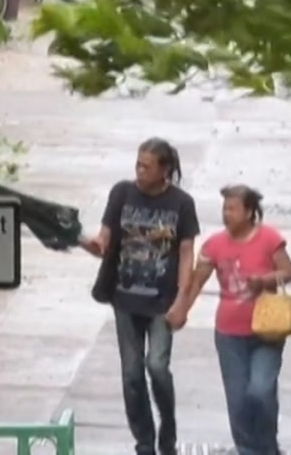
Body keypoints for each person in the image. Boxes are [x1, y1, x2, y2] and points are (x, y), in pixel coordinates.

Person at [80, 138, 200, 455]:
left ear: (165, 170)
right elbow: (104, 241)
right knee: (132, 374)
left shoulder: (181, 204)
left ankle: (168, 428)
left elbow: (187, 254)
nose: (139, 171)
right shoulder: (122, 193)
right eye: (137, 164)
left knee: (157, 366)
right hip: (125, 299)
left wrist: (183, 301)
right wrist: (83, 241)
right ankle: (144, 441)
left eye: (146, 166)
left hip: (163, 302)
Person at [178, 184, 291, 455]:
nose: (226, 214)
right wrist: (182, 309)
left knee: (261, 390)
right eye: (224, 208)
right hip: (229, 333)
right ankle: (247, 449)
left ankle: (267, 445)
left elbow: (288, 272)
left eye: (232, 208)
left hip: (268, 331)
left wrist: (264, 279)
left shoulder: (269, 239)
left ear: (250, 212)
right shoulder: (214, 244)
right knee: (238, 398)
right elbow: (197, 281)